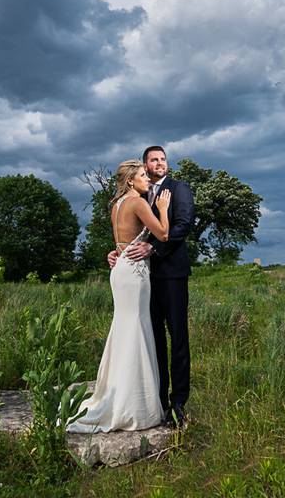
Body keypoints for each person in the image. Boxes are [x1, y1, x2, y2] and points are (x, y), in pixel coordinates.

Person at [66, 159, 172, 433]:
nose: (147, 180)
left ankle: (120, 392)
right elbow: (162, 233)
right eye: (142, 176)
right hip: (134, 271)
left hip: (121, 267)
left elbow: (122, 241)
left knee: (125, 326)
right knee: (135, 326)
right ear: (130, 181)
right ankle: (132, 404)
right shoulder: (137, 202)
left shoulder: (116, 206)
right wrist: (162, 208)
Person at [107, 146, 194, 429]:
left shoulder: (179, 189)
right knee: (150, 338)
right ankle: (154, 400)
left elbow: (181, 227)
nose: (160, 163)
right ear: (144, 166)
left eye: (163, 159)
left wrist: (152, 248)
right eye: (153, 160)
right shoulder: (140, 196)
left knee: (177, 336)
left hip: (171, 275)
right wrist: (118, 252)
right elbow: (130, 231)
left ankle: (178, 402)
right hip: (142, 278)